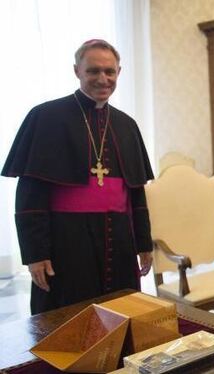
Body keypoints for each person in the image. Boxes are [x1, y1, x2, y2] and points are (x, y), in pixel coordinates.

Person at [2, 39, 154, 315]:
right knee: (68, 321)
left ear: (119, 72)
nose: (103, 79)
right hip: (67, 242)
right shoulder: (46, 117)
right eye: (93, 71)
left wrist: (144, 244)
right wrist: (35, 254)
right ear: (77, 71)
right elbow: (30, 195)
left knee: (121, 315)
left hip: (118, 241)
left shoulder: (126, 125)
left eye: (110, 72)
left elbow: (136, 193)